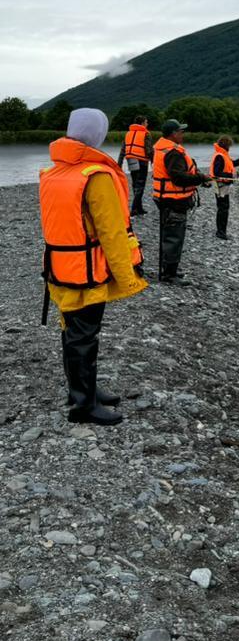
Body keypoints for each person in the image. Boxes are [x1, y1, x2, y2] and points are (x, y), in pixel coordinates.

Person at [39, 107, 148, 426]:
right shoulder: (95, 176)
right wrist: (127, 277)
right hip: (85, 271)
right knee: (84, 335)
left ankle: (82, 391)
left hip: (58, 268)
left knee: (72, 332)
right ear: (97, 136)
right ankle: (84, 406)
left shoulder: (53, 174)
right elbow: (112, 233)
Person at [152, 119, 209, 283]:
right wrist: (200, 177)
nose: (183, 134)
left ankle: (169, 269)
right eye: (180, 131)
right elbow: (178, 178)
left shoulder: (164, 148)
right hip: (173, 200)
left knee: (170, 234)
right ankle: (169, 274)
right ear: (173, 134)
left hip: (167, 198)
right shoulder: (173, 152)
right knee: (174, 237)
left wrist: (198, 178)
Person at [210, 136, 239, 240]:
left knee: (224, 208)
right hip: (220, 186)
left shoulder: (223, 155)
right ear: (226, 145)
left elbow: (233, 164)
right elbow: (216, 173)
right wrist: (231, 176)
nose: (230, 148)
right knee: (223, 209)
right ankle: (220, 232)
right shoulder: (220, 156)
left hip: (223, 186)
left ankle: (221, 231)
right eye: (229, 146)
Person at [118, 115, 153, 216]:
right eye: (146, 122)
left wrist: (119, 164)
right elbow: (149, 150)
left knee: (135, 184)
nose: (147, 124)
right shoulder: (146, 134)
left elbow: (122, 150)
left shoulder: (128, 133)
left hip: (131, 160)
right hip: (142, 161)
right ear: (142, 123)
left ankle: (139, 208)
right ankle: (134, 208)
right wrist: (153, 161)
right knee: (140, 185)